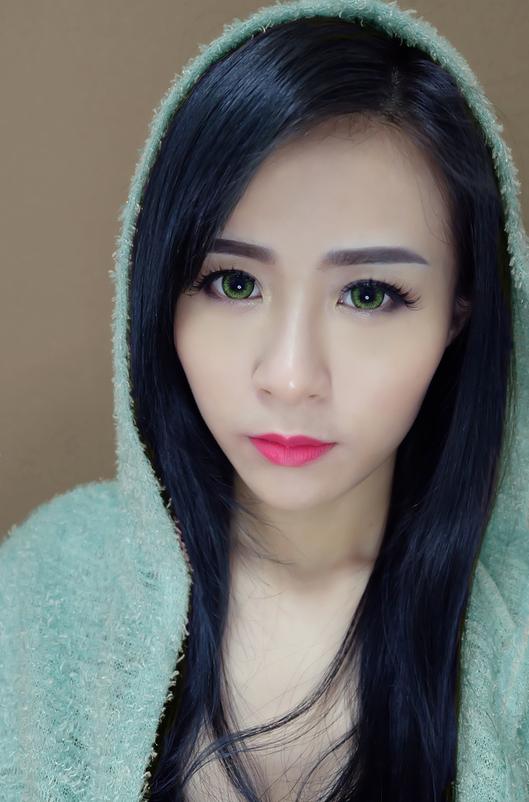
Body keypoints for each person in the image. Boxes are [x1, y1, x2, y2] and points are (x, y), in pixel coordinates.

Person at [1, 1, 528, 800]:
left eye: (369, 295)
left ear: (459, 315)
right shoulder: (51, 589)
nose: (288, 376)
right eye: (233, 283)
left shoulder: (512, 639)